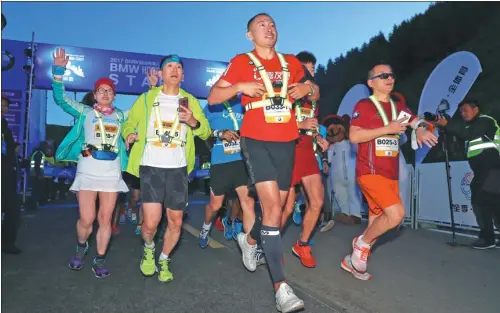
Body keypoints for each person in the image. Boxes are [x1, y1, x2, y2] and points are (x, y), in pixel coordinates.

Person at [207, 13, 319, 312]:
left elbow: (314, 89)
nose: (269, 29)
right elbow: (214, 96)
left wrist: (306, 89)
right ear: (249, 35)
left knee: (280, 207)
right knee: (271, 208)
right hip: (255, 140)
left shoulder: (292, 62)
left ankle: (250, 238)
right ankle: (281, 287)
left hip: (287, 142)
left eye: (272, 24)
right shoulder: (242, 61)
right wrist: (239, 86)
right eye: (261, 25)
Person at [341, 63, 438, 280]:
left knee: (378, 221)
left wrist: (421, 130)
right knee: (397, 215)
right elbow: (354, 136)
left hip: (390, 173)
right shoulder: (365, 105)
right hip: (369, 171)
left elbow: (418, 121)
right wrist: (388, 129)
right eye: (383, 75)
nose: (389, 78)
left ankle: (353, 262)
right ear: (371, 82)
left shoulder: (398, 109)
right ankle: (361, 244)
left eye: (391, 75)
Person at [122, 55, 210, 283]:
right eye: (169, 66)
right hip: (151, 166)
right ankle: (149, 249)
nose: (174, 70)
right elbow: (129, 123)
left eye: (179, 67)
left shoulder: (190, 100)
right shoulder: (147, 98)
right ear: (161, 74)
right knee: (150, 223)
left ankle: (164, 258)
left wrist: (192, 121)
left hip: (178, 168)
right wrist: (129, 134)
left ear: (183, 75)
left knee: (176, 222)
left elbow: (205, 132)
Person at [52, 48, 129, 278]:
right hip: (87, 170)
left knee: (105, 218)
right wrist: (58, 72)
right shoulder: (84, 112)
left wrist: (132, 135)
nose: (105, 93)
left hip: (111, 172)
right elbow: (60, 99)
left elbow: (142, 115)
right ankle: (81, 246)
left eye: (109, 91)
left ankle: (100, 258)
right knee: (87, 219)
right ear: (94, 96)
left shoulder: (121, 117)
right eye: (101, 90)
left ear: (114, 96)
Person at [280, 51, 329, 268]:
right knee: (287, 208)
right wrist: (299, 126)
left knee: (317, 202)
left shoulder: (312, 96)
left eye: (313, 68)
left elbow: (311, 120)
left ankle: (302, 243)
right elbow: (275, 122)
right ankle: (267, 245)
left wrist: (318, 136)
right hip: (288, 152)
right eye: (307, 68)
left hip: (308, 152)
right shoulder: (284, 91)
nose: (311, 72)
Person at [437, 100, 500, 249]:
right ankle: (489, 238)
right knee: (494, 204)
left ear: (475, 109)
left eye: (465, 110)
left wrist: (448, 124)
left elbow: (468, 134)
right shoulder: (470, 126)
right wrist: (446, 130)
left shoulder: (485, 121)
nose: (463, 114)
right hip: (486, 170)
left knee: (480, 201)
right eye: (461, 112)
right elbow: (460, 141)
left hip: (492, 168)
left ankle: (487, 239)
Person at [198, 95, 254, 247]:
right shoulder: (212, 105)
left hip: (242, 160)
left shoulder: (244, 102)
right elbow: (201, 129)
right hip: (221, 161)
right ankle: (205, 228)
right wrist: (219, 133)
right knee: (215, 205)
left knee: (248, 201)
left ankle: (250, 245)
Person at [324, 114, 363, 225]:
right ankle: (345, 213)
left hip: (351, 174)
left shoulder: (350, 143)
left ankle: (355, 215)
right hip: (336, 176)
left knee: (354, 193)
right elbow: (328, 159)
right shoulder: (331, 146)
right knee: (339, 193)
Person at [2, 94, 22, 254]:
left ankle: (7, 243)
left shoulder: (4, 126)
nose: (3, 107)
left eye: (5, 105)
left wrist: (12, 148)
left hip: (6, 174)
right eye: (0, 104)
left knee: (13, 209)